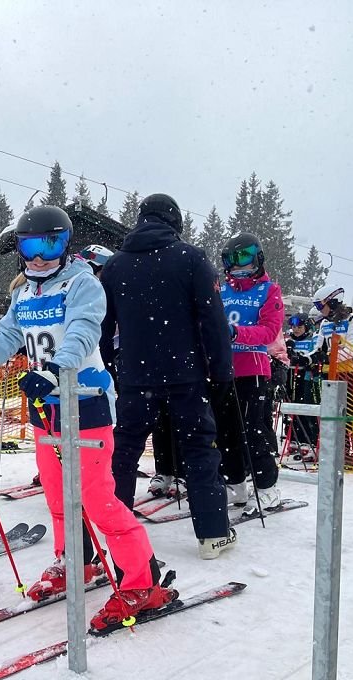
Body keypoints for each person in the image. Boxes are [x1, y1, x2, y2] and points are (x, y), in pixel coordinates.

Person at [0, 205, 173, 632]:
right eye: (31, 246)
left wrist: (54, 370)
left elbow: (84, 331)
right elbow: (7, 336)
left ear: (66, 246)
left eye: (51, 245)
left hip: (84, 402)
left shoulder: (83, 284)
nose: (39, 257)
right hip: (45, 408)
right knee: (57, 496)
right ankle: (75, 561)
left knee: (98, 499)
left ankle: (142, 581)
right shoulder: (25, 294)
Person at [99, 193, 237, 560]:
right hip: (185, 375)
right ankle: (212, 535)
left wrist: (109, 367)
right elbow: (213, 321)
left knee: (124, 453)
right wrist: (222, 372)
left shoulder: (115, 266)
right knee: (199, 450)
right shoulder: (191, 259)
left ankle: (115, 530)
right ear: (175, 221)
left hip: (135, 377)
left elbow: (103, 326)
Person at [214, 233, 285, 511]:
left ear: (257, 257)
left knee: (252, 430)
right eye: (230, 260)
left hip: (252, 369)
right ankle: (235, 484)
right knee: (226, 430)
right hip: (223, 369)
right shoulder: (222, 291)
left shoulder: (269, 290)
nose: (237, 265)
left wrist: (236, 333)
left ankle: (267, 488)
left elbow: (269, 331)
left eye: (243, 257)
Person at [313, 286, 353, 469]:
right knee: (332, 413)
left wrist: (330, 357)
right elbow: (319, 346)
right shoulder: (325, 323)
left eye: (320, 305)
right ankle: (341, 450)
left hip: (350, 372)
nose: (319, 310)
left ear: (332, 301)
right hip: (329, 372)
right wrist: (310, 358)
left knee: (350, 413)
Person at [284, 313, 324, 456]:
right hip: (290, 375)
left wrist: (306, 361)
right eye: (293, 327)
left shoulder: (312, 339)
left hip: (305, 376)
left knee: (305, 407)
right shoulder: (288, 340)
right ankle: (293, 438)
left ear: (306, 327)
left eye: (299, 327)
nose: (295, 330)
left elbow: (315, 356)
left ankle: (309, 440)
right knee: (290, 407)